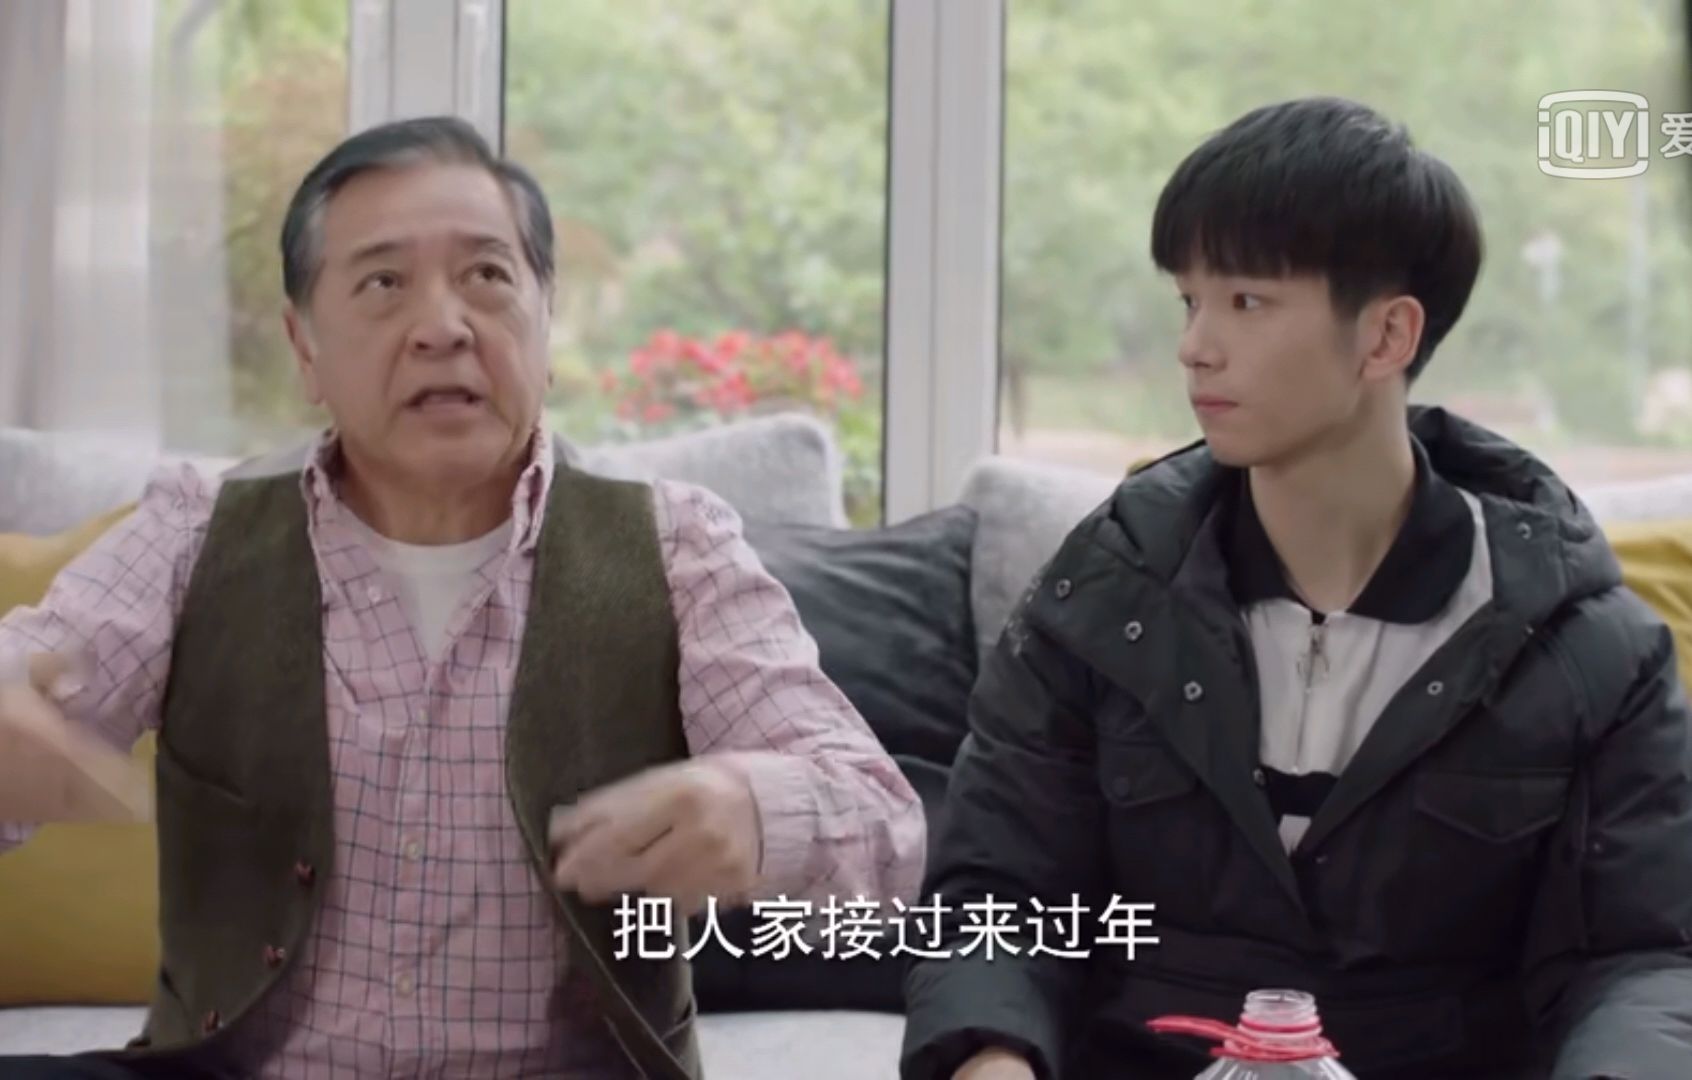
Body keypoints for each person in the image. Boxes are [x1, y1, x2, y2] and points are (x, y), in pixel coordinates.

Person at [0, 116, 925, 1079]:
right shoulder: (194, 533)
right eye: (383, 283)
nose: (442, 327)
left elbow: (884, 827)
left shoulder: (676, 544)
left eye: (486, 275)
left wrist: (755, 807)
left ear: (545, 323)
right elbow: (25, 680)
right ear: (305, 347)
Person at [899, 96, 1692, 1080]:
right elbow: (997, 899)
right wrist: (990, 1059)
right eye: (1188, 300)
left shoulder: (1585, 646)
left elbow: (1642, 957)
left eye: (1246, 302)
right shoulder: (1098, 600)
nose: (1196, 345)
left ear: (1386, 337)